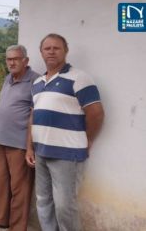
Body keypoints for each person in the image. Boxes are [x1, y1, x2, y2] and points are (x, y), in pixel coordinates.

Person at [26, 33, 104, 231]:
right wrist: (29, 148)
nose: (51, 51)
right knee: (43, 201)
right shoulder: (37, 83)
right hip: (41, 151)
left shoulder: (79, 78)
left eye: (56, 48)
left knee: (64, 206)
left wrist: (87, 139)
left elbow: (96, 114)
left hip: (67, 153)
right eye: (47, 48)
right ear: (41, 52)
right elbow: (34, 116)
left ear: (65, 51)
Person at [0, 45, 40, 231]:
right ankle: (1, 218)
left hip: (20, 143)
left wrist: (30, 147)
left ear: (25, 61)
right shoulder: (8, 78)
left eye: (16, 58)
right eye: (8, 59)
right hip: (3, 141)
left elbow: (34, 114)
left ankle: (17, 226)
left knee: (20, 188)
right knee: (2, 183)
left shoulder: (35, 81)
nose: (11, 62)